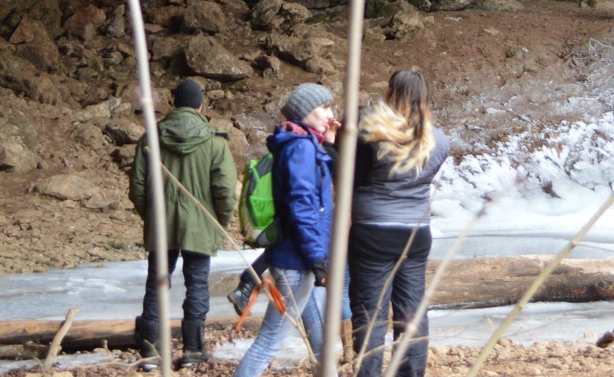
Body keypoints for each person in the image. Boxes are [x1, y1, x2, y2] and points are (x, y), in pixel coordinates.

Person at [349, 70, 450, 377]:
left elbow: (353, 179)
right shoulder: (439, 141)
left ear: (392, 94)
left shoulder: (373, 134)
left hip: (373, 233)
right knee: (412, 314)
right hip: (416, 234)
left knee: (371, 316)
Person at [234, 83, 339, 377]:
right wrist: (317, 258)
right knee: (270, 341)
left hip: (298, 255)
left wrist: (329, 143)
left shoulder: (304, 144)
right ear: (306, 112)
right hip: (296, 258)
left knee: (319, 340)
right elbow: (303, 206)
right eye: (324, 107)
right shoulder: (301, 148)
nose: (330, 113)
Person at [131, 78, 236, 371]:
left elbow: (137, 186)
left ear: (175, 104)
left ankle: (151, 354)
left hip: (162, 221)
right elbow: (226, 191)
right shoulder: (216, 141)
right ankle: (192, 350)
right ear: (200, 105)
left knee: (156, 284)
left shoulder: (151, 138)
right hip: (200, 223)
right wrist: (220, 223)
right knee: (197, 284)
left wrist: (151, 215)